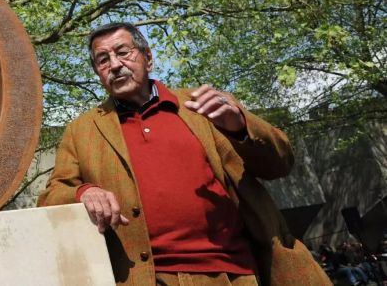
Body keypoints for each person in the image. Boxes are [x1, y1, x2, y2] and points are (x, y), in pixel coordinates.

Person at [38, 22, 329, 286]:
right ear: (98, 74)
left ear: (148, 58)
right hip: (147, 279)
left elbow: (281, 163)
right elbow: (52, 195)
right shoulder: (83, 130)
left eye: (123, 52)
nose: (114, 64)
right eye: (103, 60)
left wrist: (240, 126)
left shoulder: (204, 105)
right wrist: (84, 193)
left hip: (235, 273)